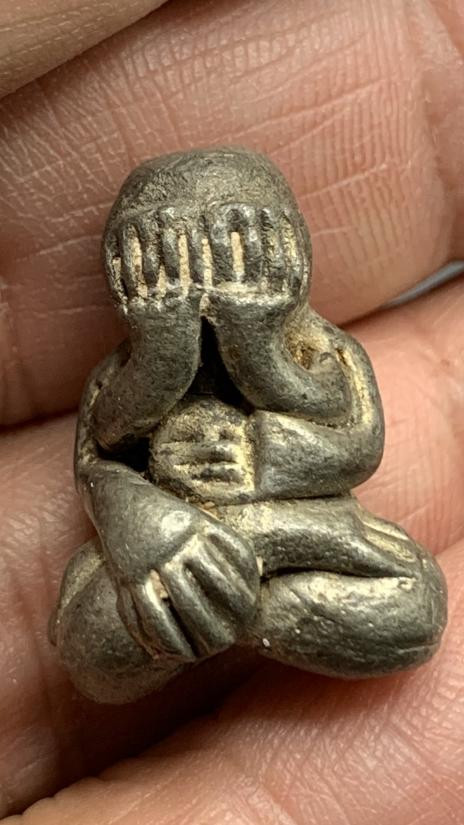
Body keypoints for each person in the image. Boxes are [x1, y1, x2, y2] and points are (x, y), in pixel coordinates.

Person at [0, 0, 463, 821]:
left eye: (240, 246)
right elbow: (100, 463)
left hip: (299, 531)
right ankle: (215, 597)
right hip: (167, 551)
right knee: (85, 647)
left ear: (289, 253)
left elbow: (357, 444)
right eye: (163, 257)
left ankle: (225, 605)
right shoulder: (121, 372)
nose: (205, 280)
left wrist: (258, 365)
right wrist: (164, 360)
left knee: (415, 603)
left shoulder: (320, 349)